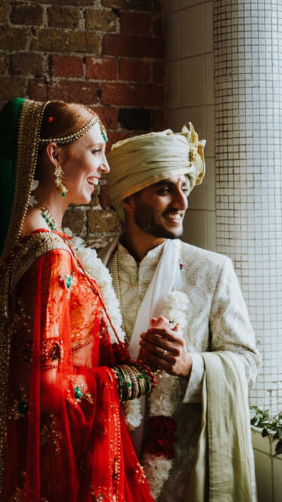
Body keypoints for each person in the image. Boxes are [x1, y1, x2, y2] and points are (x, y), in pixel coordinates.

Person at [0, 98, 157, 502]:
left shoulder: (37, 233)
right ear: (55, 155)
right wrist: (130, 378)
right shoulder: (49, 252)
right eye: (95, 151)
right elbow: (47, 386)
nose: (105, 167)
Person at [99, 125, 259, 502]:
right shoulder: (92, 269)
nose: (182, 202)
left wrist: (191, 364)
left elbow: (247, 363)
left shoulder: (212, 270)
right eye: (165, 189)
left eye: (184, 187)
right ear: (128, 199)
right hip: (103, 461)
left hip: (185, 473)